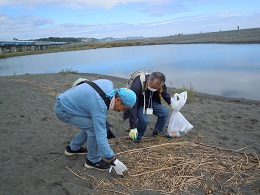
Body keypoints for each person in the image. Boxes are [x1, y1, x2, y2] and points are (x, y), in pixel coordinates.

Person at [54, 79, 136, 175]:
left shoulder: (108, 84)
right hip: (63, 110)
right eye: (124, 108)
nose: (122, 111)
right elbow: (100, 136)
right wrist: (113, 160)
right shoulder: (99, 107)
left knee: (92, 125)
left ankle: (73, 148)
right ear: (118, 100)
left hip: (68, 101)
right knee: (94, 128)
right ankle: (93, 161)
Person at [124, 72, 172, 143]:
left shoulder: (160, 83)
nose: (153, 89)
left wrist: (171, 103)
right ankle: (137, 137)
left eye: (156, 88)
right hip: (138, 102)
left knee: (164, 112)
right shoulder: (137, 86)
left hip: (150, 100)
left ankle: (157, 132)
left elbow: (164, 93)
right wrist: (133, 127)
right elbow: (132, 106)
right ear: (148, 80)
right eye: (152, 87)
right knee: (144, 120)